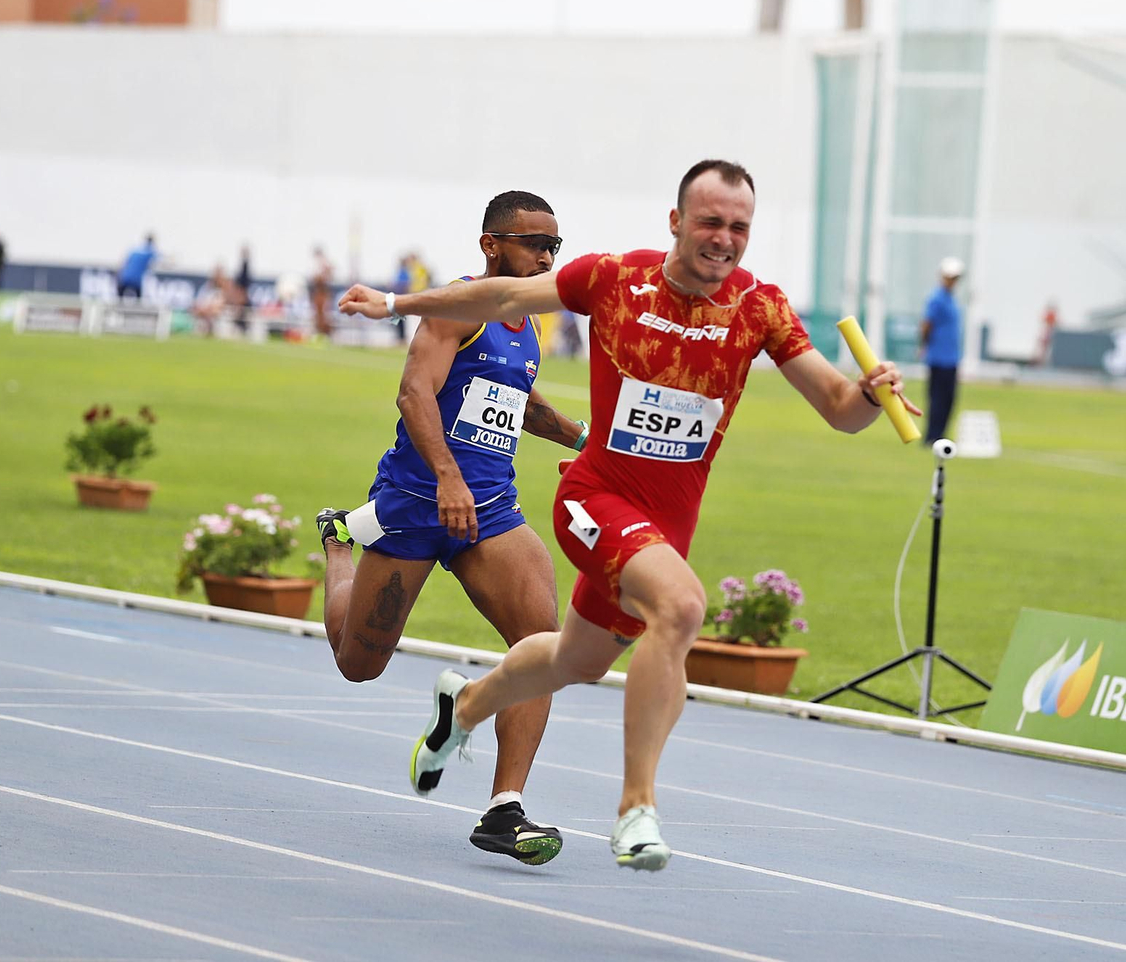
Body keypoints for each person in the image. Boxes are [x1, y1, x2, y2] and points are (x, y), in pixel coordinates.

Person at [338, 160, 918, 872]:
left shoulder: (761, 308)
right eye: (710, 221)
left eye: (739, 226)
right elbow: (500, 298)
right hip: (581, 498)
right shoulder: (615, 278)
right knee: (678, 606)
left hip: (634, 518)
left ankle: (468, 721)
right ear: (676, 221)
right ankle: (636, 809)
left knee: (568, 658)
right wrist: (396, 304)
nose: (724, 239)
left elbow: (840, 409)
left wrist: (867, 391)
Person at [318, 191, 588, 866]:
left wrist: (585, 439)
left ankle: (504, 810)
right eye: (534, 243)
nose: (547, 257)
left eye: (555, 245)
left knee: (543, 646)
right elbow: (414, 393)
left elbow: (516, 404)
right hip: (416, 501)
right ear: (491, 245)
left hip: (491, 509)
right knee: (358, 664)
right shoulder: (455, 307)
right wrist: (447, 477)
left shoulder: (528, 323)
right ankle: (338, 543)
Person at [919, 257, 964, 444]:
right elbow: (926, 325)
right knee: (937, 399)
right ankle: (932, 435)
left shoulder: (951, 299)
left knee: (949, 399)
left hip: (951, 357)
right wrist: (924, 345)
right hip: (938, 357)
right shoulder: (936, 298)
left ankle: (941, 433)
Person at [118, 233, 158, 302]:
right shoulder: (150, 252)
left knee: (119, 301)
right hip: (136, 280)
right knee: (138, 302)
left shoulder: (135, 250)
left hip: (124, 277)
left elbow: (125, 263)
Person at [310, 245, 334, 338]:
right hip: (318, 291)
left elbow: (328, 273)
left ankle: (325, 334)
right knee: (318, 315)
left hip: (323, 292)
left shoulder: (323, 263)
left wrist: (323, 275)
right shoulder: (317, 264)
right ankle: (319, 333)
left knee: (324, 315)